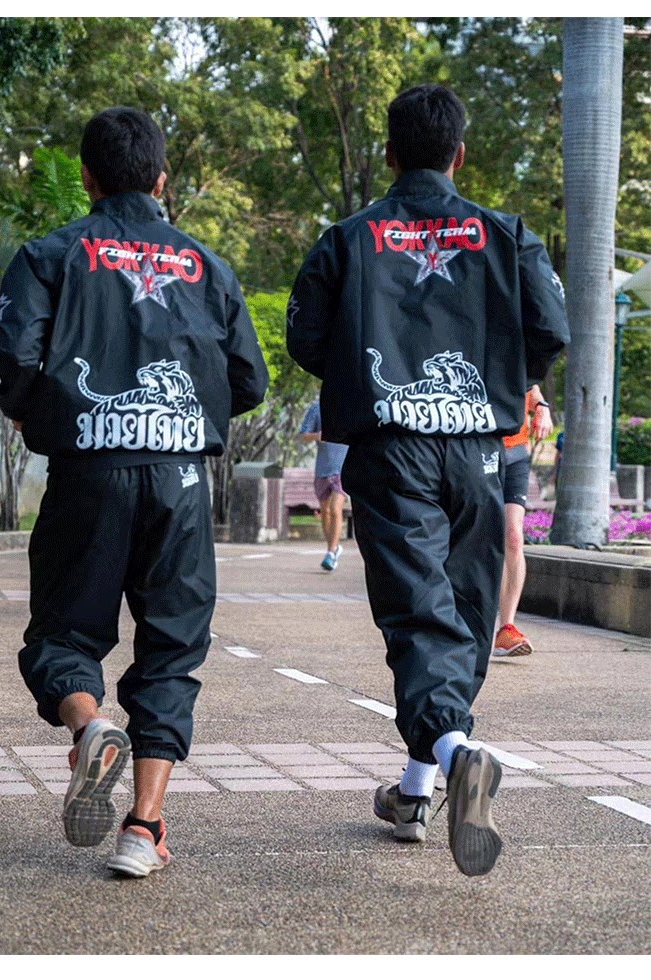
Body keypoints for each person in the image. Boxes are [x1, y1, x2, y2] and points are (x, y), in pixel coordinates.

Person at [287, 84, 568, 876]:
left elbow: (307, 337)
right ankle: (415, 794)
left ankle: (452, 752)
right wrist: (499, 373)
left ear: (388, 153)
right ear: (460, 154)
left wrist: (367, 367)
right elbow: (551, 330)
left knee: (419, 613)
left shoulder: (348, 238)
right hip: (480, 451)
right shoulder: (507, 235)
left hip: (392, 448)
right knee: (465, 616)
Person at [0, 107, 268, 877]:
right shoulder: (207, 265)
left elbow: (16, 354)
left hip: (87, 470)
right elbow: (248, 379)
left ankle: (89, 729)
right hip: (180, 481)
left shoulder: (49, 254)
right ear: (162, 179)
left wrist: (36, 410)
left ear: (87, 177)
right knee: (172, 653)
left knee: (62, 636)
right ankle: (143, 830)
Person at [494, 384, 553, 656]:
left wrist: (542, 407)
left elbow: (532, 387)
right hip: (479, 450)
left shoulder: (519, 361)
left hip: (515, 454)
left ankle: (506, 628)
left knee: (514, 537)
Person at [299, 397, 349, 570]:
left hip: (343, 469)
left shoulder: (350, 407)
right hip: (323, 469)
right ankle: (333, 549)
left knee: (335, 509)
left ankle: (330, 552)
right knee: (325, 511)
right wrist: (318, 435)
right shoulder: (316, 408)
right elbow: (303, 435)